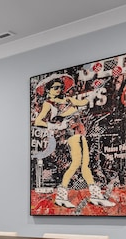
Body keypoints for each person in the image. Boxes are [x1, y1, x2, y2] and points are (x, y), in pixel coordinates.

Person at [34, 75, 114, 208]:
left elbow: (83, 103)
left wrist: (94, 92)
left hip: (80, 133)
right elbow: (38, 121)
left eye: (60, 87)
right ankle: (61, 195)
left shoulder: (68, 100)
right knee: (76, 163)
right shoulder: (49, 104)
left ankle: (96, 195)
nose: (59, 89)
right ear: (49, 90)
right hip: (71, 135)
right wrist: (57, 126)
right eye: (55, 88)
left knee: (85, 165)